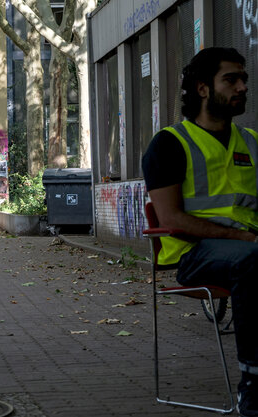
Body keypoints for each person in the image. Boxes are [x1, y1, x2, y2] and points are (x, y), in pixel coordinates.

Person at [142, 46, 257, 415]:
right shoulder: (171, 144)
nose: (242, 87)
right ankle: (253, 385)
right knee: (254, 261)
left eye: (244, 79)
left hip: (248, 251)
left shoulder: (253, 142)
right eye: (231, 79)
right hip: (194, 255)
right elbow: (171, 218)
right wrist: (245, 238)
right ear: (203, 88)